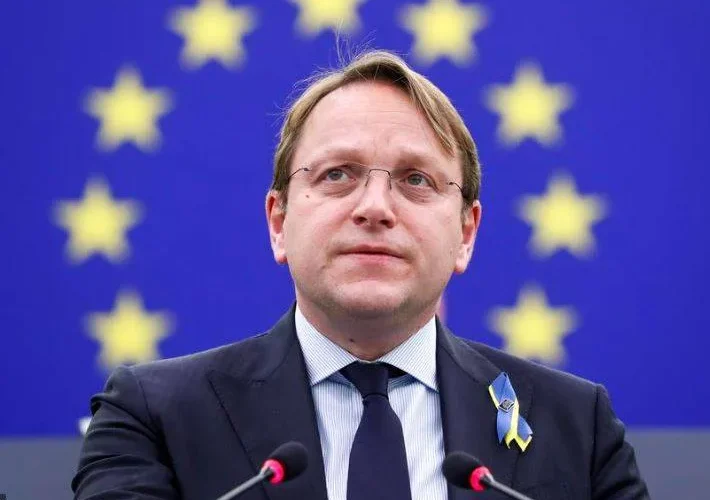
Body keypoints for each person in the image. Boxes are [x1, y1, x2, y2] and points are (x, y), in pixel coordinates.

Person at [72, 50, 649, 500]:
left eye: (416, 180)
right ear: (279, 222)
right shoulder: (154, 417)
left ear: (466, 234)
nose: (374, 207)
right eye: (338, 174)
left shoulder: (577, 426)